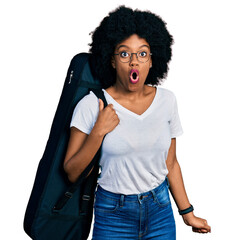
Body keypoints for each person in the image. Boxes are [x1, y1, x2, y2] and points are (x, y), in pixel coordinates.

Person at [63, 6, 211, 239]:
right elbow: (71, 172)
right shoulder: (93, 105)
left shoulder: (167, 100)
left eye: (142, 54)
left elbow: (170, 164)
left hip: (160, 211)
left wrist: (187, 213)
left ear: (152, 61)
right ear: (112, 61)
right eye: (124, 54)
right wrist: (98, 132)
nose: (134, 62)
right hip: (113, 215)